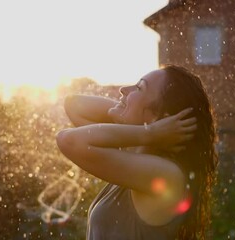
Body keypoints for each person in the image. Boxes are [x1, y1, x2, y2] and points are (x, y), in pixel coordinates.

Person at [56, 65, 218, 239]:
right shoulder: (133, 156)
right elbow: (74, 105)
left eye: (139, 87)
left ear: (158, 117)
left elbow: (69, 141)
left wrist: (151, 132)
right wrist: (130, 117)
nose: (123, 89)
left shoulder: (166, 176)